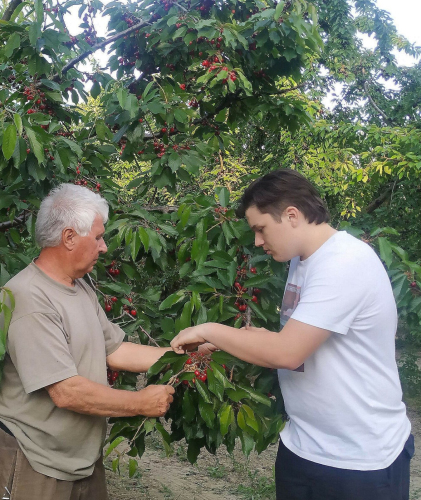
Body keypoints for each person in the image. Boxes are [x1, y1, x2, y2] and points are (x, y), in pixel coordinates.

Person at [170, 169, 413, 500]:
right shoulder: (304, 261)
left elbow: (288, 352)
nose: (257, 241)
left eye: (260, 229)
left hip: (358, 461)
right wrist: (228, 341)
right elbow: (301, 337)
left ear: (292, 216)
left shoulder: (344, 263)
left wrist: (208, 328)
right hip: (304, 446)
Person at [0, 183, 176, 500]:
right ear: (69, 237)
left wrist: (181, 357)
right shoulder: (27, 298)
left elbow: (115, 350)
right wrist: (140, 402)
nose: (104, 247)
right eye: (98, 237)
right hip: (35, 460)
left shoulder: (79, 285)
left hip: (80, 459)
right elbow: (66, 391)